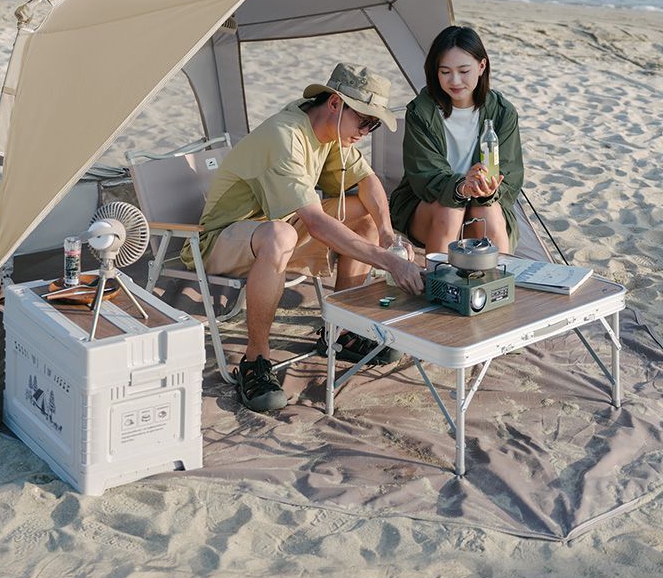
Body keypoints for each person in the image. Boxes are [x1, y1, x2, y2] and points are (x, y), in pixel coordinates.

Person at [181, 63, 424, 412]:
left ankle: (340, 332)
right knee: (280, 234)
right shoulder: (285, 135)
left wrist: (386, 233)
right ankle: (255, 360)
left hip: (275, 229)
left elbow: (367, 180)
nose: (367, 131)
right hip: (219, 240)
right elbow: (316, 223)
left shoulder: (328, 129)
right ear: (335, 103)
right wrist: (388, 262)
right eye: (365, 121)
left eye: (373, 124)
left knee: (364, 216)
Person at [389, 25, 524, 256]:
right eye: (445, 72)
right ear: (435, 71)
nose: (455, 80)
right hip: (427, 206)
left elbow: (510, 175)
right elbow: (424, 176)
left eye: (464, 71)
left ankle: (499, 277)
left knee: (487, 211)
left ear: (481, 66)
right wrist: (461, 187)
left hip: (482, 207)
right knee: (450, 210)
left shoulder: (502, 112)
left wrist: (486, 189)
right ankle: (439, 277)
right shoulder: (421, 112)